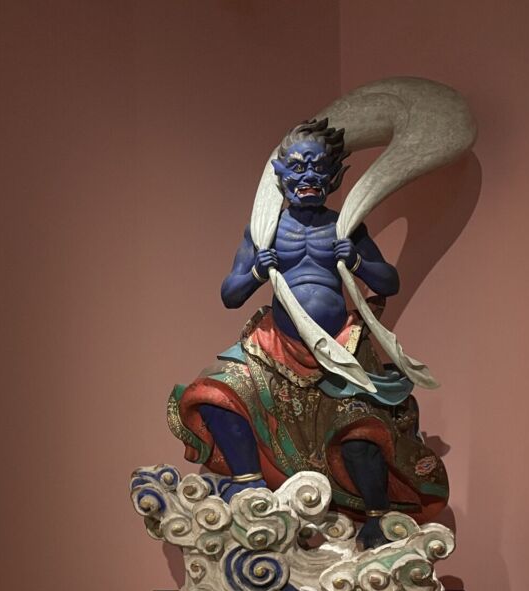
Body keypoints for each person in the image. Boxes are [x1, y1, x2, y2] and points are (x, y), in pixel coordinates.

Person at [167, 118, 448, 548]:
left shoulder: (344, 226)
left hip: (340, 348)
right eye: (298, 167)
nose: (309, 177)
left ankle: (376, 519)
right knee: (214, 395)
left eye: (318, 168)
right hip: (275, 346)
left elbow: (388, 281)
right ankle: (250, 487)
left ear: (333, 176)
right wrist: (257, 270)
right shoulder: (265, 230)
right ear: (281, 176)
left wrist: (357, 260)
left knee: (362, 433)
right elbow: (230, 294)